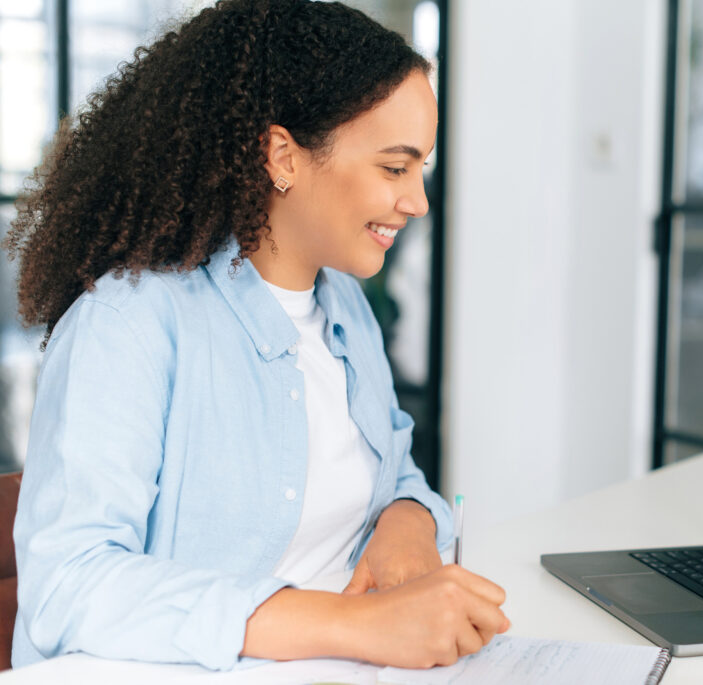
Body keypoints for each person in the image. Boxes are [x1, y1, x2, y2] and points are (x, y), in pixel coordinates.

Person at [4, 0, 508, 671]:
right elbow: (70, 583)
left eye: (421, 168)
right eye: (395, 167)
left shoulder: (348, 308)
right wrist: (355, 623)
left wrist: (408, 521)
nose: (417, 200)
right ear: (283, 156)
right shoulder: (128, 322)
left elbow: (395, 468)